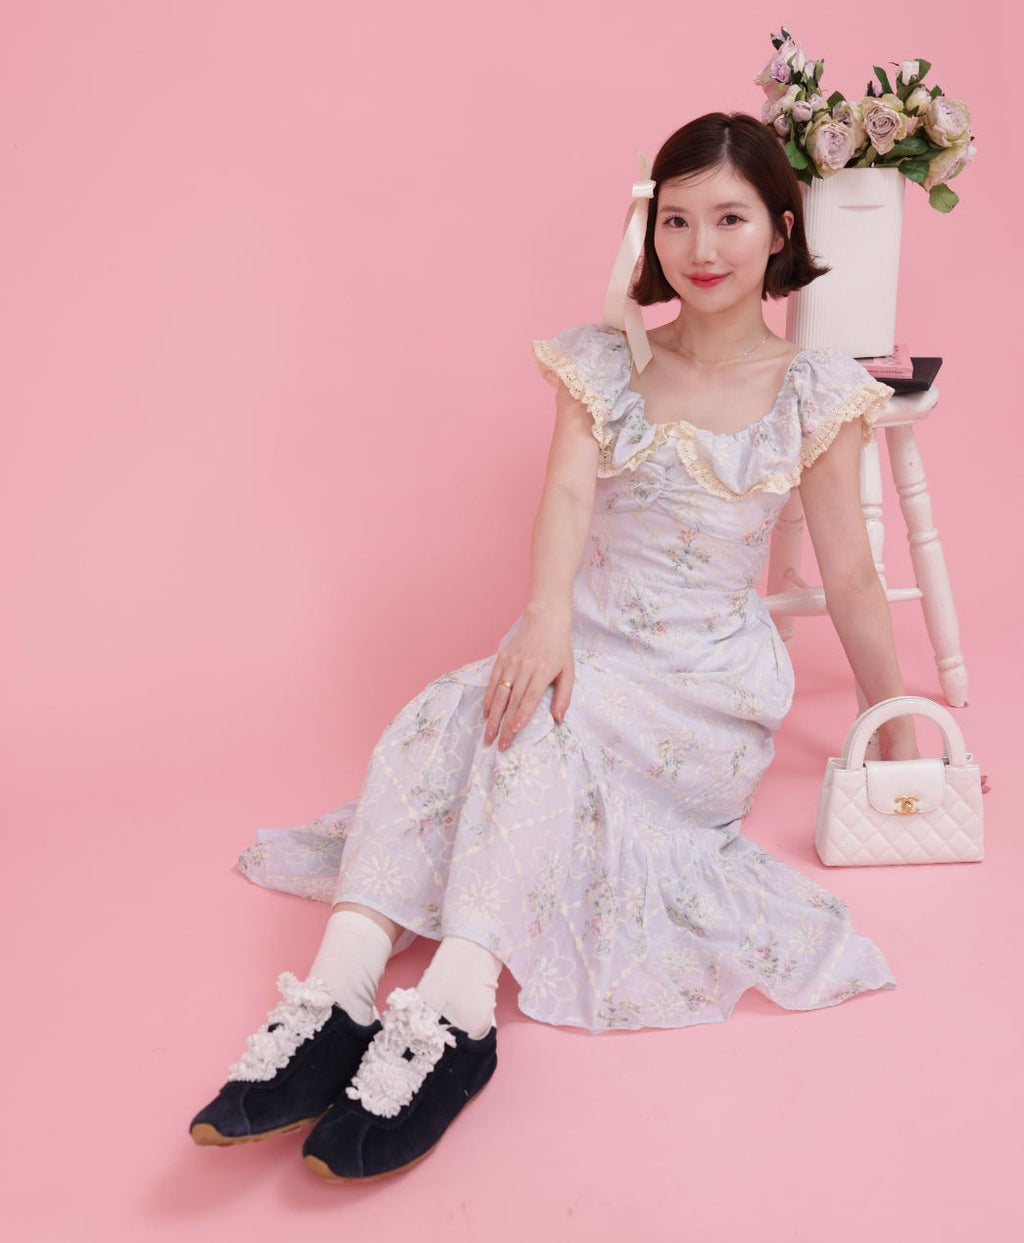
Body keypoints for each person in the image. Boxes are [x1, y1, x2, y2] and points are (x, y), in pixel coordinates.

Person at [189, 110, 919, 1181]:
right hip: (584, 637)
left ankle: (456, 1013)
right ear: (649, 228)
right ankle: (337, 994)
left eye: (729, 218)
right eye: (676, 219)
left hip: (701, 688)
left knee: (531, 725)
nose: (701, 247)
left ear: (780, 227)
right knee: (448, 710)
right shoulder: (606, 361)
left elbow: (850, 574)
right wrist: (544, 619)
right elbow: (568, 496)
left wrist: (893, 720)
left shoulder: (811, 390)